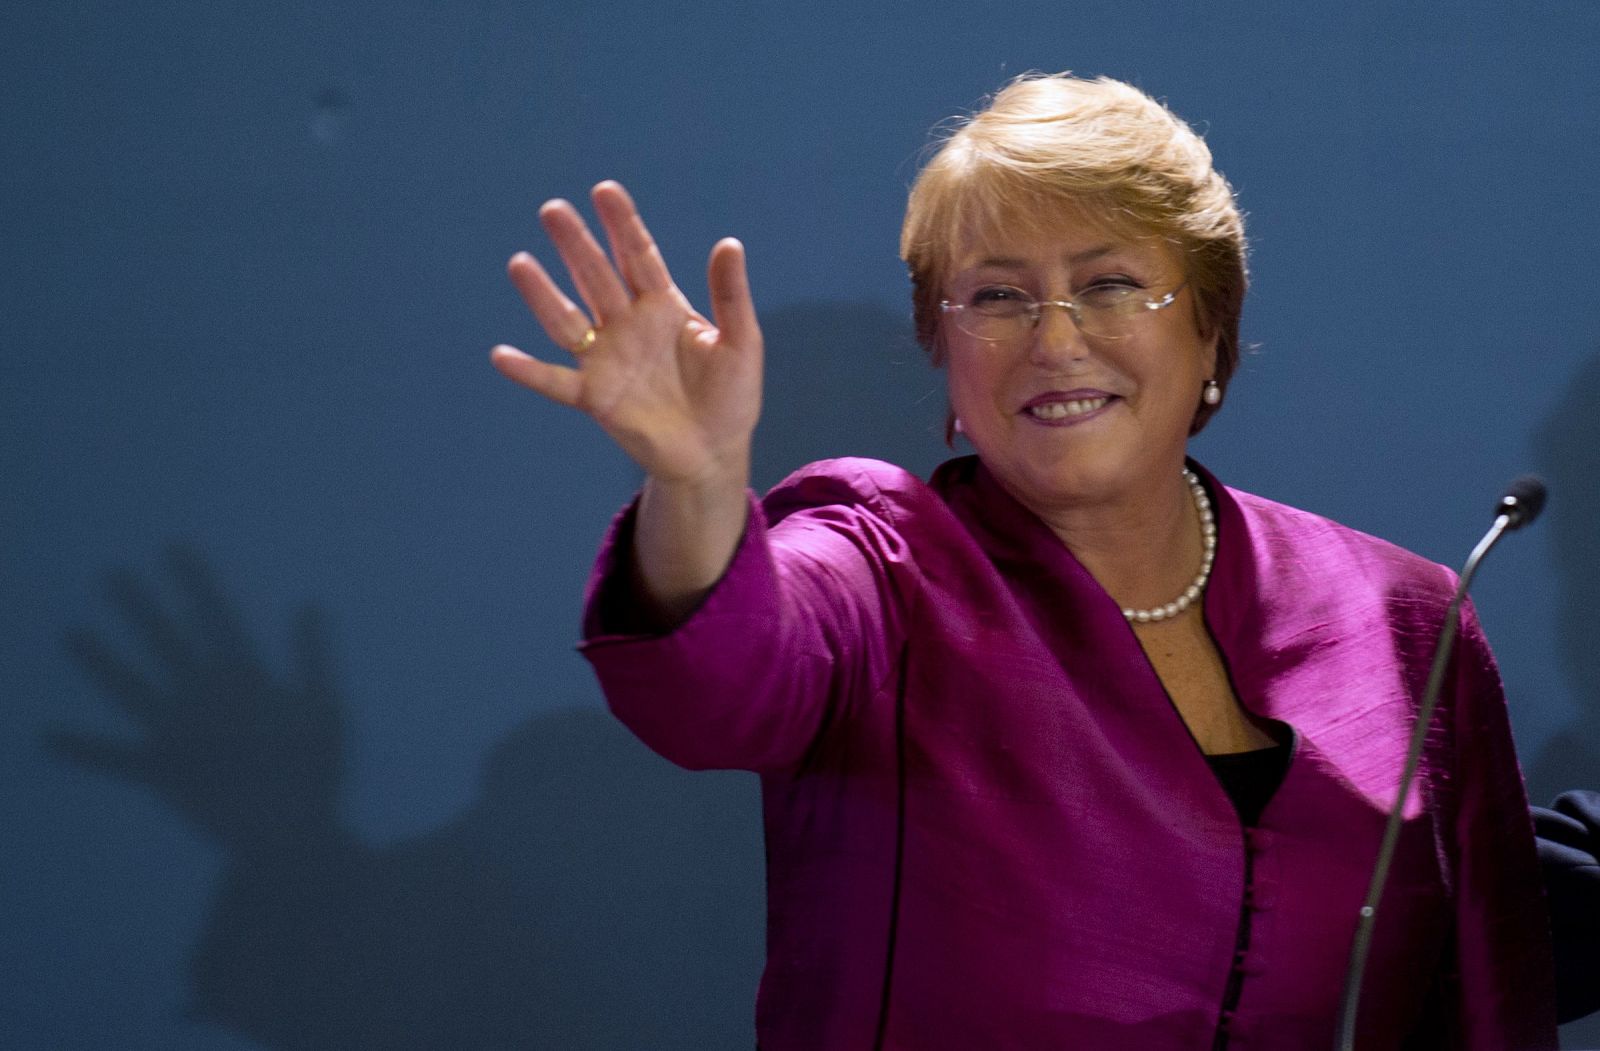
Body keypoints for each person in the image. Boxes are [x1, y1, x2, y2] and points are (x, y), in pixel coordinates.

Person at [491, 74, 1556, 1050]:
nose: (1054, 339)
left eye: (1109, 284)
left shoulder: (1404, 618)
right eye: (996, 297)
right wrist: (699, 483)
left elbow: (1488, 1001)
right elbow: (716, 685)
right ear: (944, 355)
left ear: (1211, 331)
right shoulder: (881, 563)